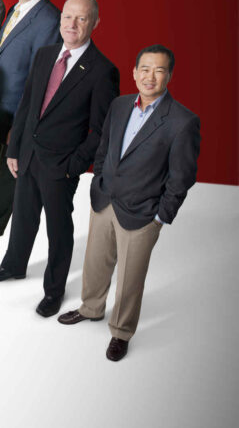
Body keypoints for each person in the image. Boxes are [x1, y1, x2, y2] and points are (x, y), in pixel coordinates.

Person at [0, 0, 119, 319]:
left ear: (95, 23)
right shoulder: (46, 54)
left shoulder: (102, 70)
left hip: (61, 165)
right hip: (28, 154)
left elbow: (102, 131)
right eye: (67, 16)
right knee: (23, 215)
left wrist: (74, 165)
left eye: (81, 18)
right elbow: (27, 104)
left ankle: (54, 290)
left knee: (58, 229)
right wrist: (15, 148)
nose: (72, 24)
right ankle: (14, 265)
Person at [58, 45, 199, 362]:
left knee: (130, 279)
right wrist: (98, 182)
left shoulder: (182, 121)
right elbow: (104, 148)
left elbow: (182, 177)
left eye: (159, 70)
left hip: (143, 212)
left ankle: (121, 332)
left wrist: (161, 217)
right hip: (105, 199)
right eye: (144, 69)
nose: (150, 76)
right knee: (95, 263)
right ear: (134, 73)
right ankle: (91, 308)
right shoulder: (120, 105)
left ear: (169, 75)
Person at [0, 0, 61, 236]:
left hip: (16, 110)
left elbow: (41, 78)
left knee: (6, 169)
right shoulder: (16, 8)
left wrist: (23, 123)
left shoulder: (50, 20)